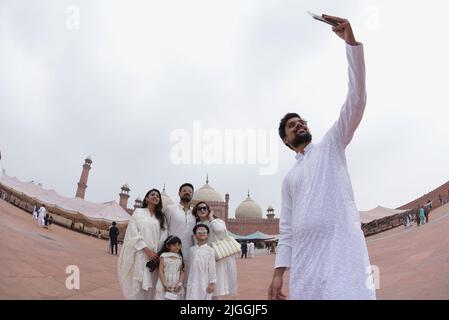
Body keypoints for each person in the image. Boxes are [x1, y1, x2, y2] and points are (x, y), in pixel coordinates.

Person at [268, 14, 376, 300]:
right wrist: (279, 273)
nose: (300, 125)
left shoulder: (332, 145)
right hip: (306, 265)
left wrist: (351, 44)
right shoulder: (289, 179)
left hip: (342, 253)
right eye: (292, 126)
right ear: (286, 140)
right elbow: (287, 228)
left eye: (302, 121)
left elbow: (356, 99)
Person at [117, 188, 168, 300]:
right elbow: (133, 232)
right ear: (147, 198)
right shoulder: (138, 212)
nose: (155, 197)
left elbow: (164, 236)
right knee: (136, 285)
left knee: (150, 288)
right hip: (139, 253)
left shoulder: (161, 217)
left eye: (158, 196)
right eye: (153, 195)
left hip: (154, 258)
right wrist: (146, 249)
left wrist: (156, 253)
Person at [192, 201, 237, 299]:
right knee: (202, 287)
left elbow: (219, 230)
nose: (202, 210)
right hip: (202, 259)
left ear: (209, 210)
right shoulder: (196, 224)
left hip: (216, 258)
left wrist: (211, 218)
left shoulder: (217, 222)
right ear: (196, 211)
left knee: (216, 290)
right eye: (200, 208)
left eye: (205, 208)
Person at [163, 183, 196, 283]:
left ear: (192, 195)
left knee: (186, 282)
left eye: (190, 191)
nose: (187, 193)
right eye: (185, 190)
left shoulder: (194, 213)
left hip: (189, 253)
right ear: (179, 193)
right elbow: (164, 230)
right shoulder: (170, 209)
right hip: (172, 253)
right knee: (170, 281)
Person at [186, 224, 216, 300]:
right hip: (192, 281)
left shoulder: (210, 250)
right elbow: (188, 267)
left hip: (204, 281)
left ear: (207, 235)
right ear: (195, 235)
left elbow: (212, 268)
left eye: (204, 232)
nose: (202, 233)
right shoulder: (191, 250)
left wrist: (212, 283)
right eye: (199, 232)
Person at [155, 236, 185, 300]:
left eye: (179, 245)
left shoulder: (180, 257)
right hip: (164, 283)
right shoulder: (163, 256)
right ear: (168, 246)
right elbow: (160, 271)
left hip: (176, 284)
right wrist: (165, 284)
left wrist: (179, 284)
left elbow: (182, 272)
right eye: (174, 245)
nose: (177, 247)